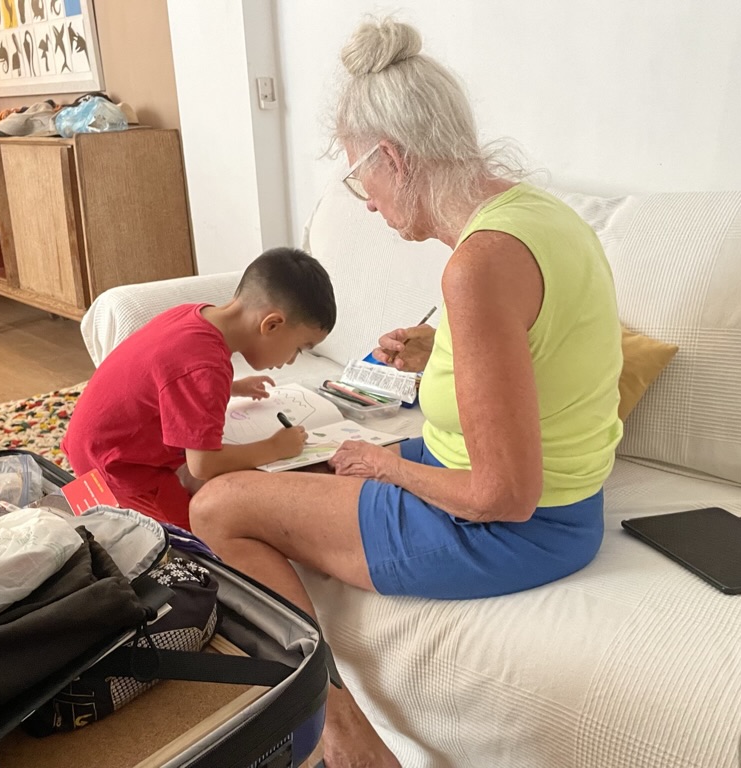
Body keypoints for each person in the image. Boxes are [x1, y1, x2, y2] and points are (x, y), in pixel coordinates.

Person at [189, 18, 623, 768]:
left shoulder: (479, 264)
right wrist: (442, 354)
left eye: (358, 176)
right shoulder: (537, 214)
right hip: (559, 502)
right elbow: (540, 347)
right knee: (296, 467)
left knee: (215, 506)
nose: (364, 202)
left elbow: (502, 496)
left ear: (392, 157)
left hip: (513, 529)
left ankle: (343, 737)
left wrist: (386, 465)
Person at [62, 247, 335, 529]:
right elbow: (203, 464)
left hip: (88, 442)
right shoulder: (206, 367)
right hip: (115, 469)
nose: (291, 360)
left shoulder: (193, 316)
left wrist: (232, 388)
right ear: (272, 325)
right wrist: (275, 448)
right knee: (206, 531)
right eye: (299, 348)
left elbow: (171, 379)